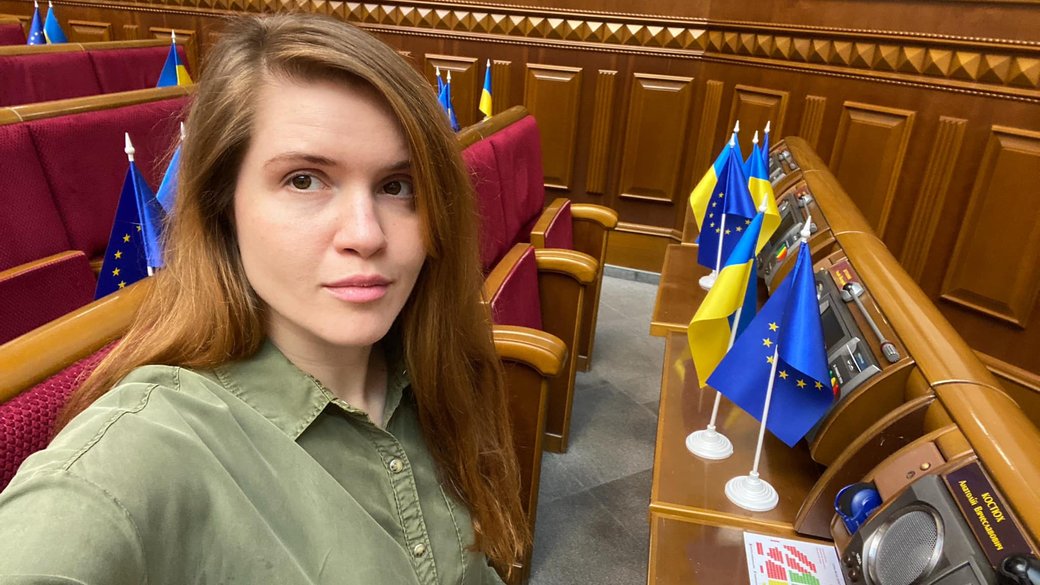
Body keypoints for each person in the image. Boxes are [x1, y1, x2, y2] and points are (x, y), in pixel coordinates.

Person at [0, 13, 526, 584]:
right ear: (223, 205)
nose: (366, 234)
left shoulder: (440, 366)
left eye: (396, 186)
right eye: (304, 179)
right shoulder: (134, 458)